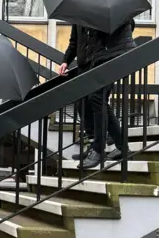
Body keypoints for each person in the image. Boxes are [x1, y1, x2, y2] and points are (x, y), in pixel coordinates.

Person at [58, 19, 136, 168]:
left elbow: (128, 26)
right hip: (85, 65)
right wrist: (65, 61)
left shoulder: (106, 11)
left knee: (96, 98)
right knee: (84, 103)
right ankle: (122, 148)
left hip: (103, 61)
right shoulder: (79, 15)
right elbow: (74, 42)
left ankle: (98, 150)